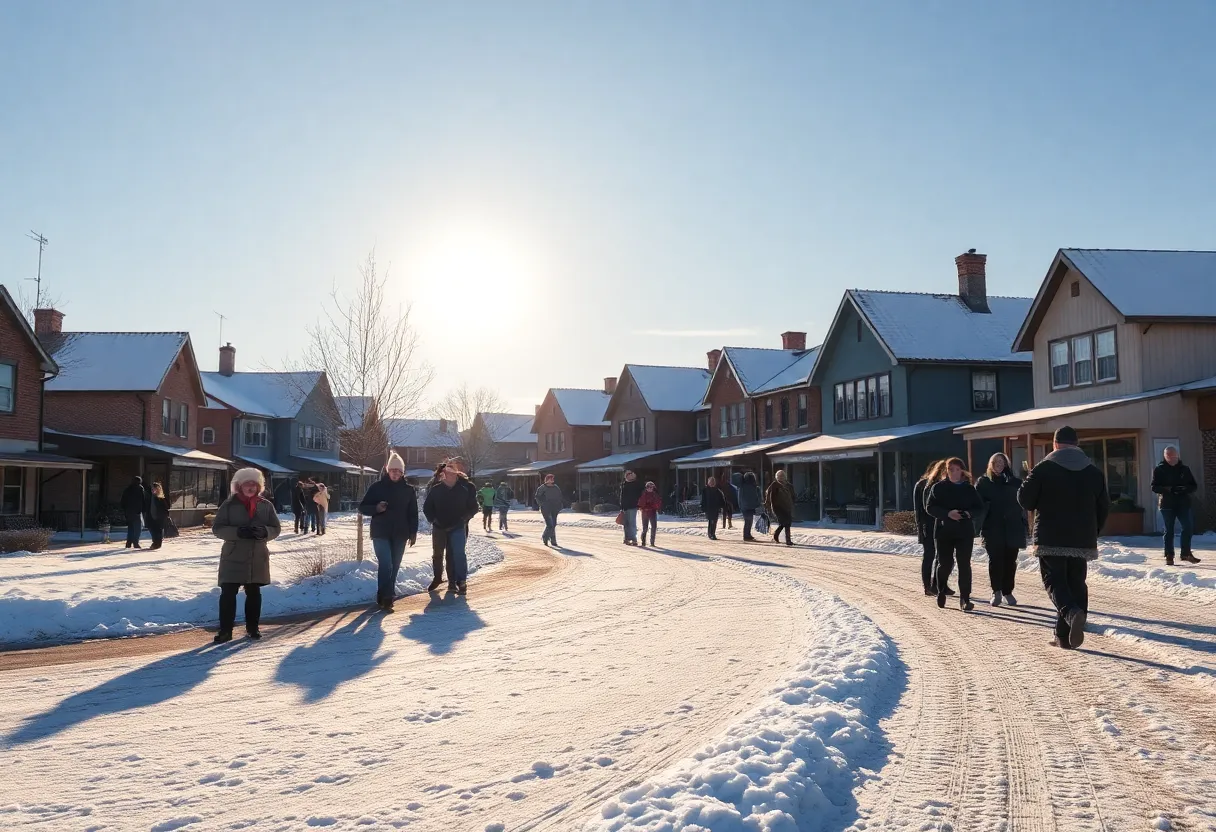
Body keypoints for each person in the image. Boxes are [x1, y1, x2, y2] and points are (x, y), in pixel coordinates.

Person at [1018, 426, 1109, 650]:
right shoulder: (1094, 472)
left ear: (1055, 444)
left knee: (1054, 581)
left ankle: (1071, 612)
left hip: (1051, 534)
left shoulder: (1043, 468)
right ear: (1077, 444)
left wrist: (1028, 478)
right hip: (1082, 537)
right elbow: (1104, 506)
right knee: (1076, 581)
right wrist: (1093, 531)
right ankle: (1064, 636)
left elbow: (1025, 500)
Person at [211, 468, 281, 642]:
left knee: (254, 593)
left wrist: (264, 531)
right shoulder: (229, 505)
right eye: (247, 484)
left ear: (259, 487)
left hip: (257, 556)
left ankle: (253, 628)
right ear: (239, 486)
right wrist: (238, 532)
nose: (251, 487)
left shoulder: (266, 505)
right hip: (233, 556)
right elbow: (217, 528)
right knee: (228, 593)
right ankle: (225, 631)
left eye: (254, 484)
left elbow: (276, 528)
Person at [359, 452, 419, 610]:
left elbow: (413, 513)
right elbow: (362, 507)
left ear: (402, 472)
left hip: (401, 533)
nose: (395, 473)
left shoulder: (408, 490)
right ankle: (386, 596)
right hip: (380, 532)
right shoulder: (377, 488)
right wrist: (376, 508)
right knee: (386, 564)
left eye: (398, 471)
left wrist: (413, 532)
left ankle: (386, 594)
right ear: (387, 470)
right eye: (393, 470)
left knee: (395, 565)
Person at [926, 457, 984, 612]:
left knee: (964, 564)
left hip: (964, 531)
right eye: (951, 469)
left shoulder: (969, 489)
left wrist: (967, 513)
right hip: (944, 531)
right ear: (946, 471)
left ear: (962, 471)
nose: (955, 473)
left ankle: (965, 599)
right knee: (944, 563)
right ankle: (941, 590)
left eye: (957, 469)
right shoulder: (938, 488)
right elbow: (930, 507)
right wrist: (947, 514)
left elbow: (979, 508)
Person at [975, 453, 1027, 607]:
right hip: (992, 528)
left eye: (1002, 462)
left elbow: (1023, 503)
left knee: (1010, 562)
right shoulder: (983, 483)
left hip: (1013, 528)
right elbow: (977, 505)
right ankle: (996, 591)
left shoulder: (1015, 482)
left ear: (1006, 464)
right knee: (995, 561)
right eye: (996, 462)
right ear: (990, 464)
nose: (999, 464)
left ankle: (1008, 591)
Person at [423, 463, 480, 595]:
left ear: (456, 473)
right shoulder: (436, 489)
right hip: (439, 527)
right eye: (446, 472)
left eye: (451, 472)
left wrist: (464, 518)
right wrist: (433, 520)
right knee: (437, 554)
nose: (449, 475)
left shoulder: (465, 488)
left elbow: (474, 507)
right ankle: (438, 577)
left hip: (458, 526)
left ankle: (458, 582)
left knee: (456, 554)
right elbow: (427, 508)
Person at [1150, 445, 1201, 566]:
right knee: (1169, 530)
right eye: (1168, 456)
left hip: (1183, 503)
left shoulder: (1185, 469)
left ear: (1177, 455)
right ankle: (1169, 555)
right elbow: (1154, 487)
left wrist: (1184, 489)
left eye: (1173, 455)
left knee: (1188, 527)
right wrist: (1169, 489)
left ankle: (1186, 553)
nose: (1171, 458)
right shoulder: (1159, 469)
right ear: (1165, 456)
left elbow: (1194, 486)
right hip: (1167, 504)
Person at [914, 460, 951, 596]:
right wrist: (921, 527)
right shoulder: (923, 485)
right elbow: (919, 509)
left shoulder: (946, 486)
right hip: (928, 525)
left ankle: (940, 584)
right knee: (929, 555)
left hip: (943, 525)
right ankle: (927, 585)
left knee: (943, 556)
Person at [765, 469, 795, 546]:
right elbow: (768, 496)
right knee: (786, 523)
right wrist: (768, 505)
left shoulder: (789, 485)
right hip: (778, 508)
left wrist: (793, 503)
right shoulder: (774, 485)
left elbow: (793, 495)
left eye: (782, 476)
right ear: (776, 477)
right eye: (779, 476)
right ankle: (788, 540)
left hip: (787, 507)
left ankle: (776, 535)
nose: (781, 477)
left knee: (783, 523)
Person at [535, 473, 564, 547]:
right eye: (551, 478)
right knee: (550, 524)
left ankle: (553, 540)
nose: (552, 480)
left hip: (554, 508)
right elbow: (537, 497)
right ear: (547, 480)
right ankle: (545, 537)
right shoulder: (542, 488)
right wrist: (542, 504)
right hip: (546, 509)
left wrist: (560, 505)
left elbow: (559, 496)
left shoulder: (556, 487)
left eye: (553, 478)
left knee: (553, 524)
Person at [120, 475, 148, 549]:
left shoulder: (127, 489)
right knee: (138, 528)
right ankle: (135, 542)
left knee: (131, 527)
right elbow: (143, 500)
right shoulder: (140, 489)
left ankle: (128, 543)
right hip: (137, 511)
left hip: (128, 512)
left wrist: (124, 510)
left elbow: (123, 501)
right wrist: (144, 510)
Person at [619, 470, 644, 545]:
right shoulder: (624, 484)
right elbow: (622, 496)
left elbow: (641, 493)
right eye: (628, 474)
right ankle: (626, 538)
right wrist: (621, 506)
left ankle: (634, 539)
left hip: (633, 506)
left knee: (632, 523)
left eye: (631, 474)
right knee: (626, 523)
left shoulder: (637, 484)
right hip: (625, 507)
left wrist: (639, 504)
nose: (630, 475)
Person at [738, 471, 763, 542]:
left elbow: (740, 497)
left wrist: (740, 505)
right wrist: (757, 504)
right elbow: (756, 496)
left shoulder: (742, 486)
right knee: (749, 521)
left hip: (745, 507)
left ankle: (747, 535)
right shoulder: (753, 486)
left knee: (748, 521)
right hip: (750, 506)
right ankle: (746, 535)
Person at [638, 480, 662, 547]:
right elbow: (641, 503)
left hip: (652, 512)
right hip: (645, 512)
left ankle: (652, 542)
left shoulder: (655, 495)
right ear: (646, 488)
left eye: (651, 487)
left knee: (654, 527)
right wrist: (644, 507)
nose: (650, 489)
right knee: (645, 528)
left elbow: (658, 503)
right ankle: (643, 541)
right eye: (648, 487)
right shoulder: (643, 494)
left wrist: (655, 507)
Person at [146, 482, 170, 550]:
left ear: (158, 489)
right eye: (152, 489)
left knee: (158, 531)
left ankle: (157, 544)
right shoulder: (149, 497)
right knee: (153, 531)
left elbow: (166, 508)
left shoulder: (161, 498)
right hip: (151, 517)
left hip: (159, 518)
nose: (153, 490)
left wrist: (164, 517)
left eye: (155, 489)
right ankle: (155, 543)